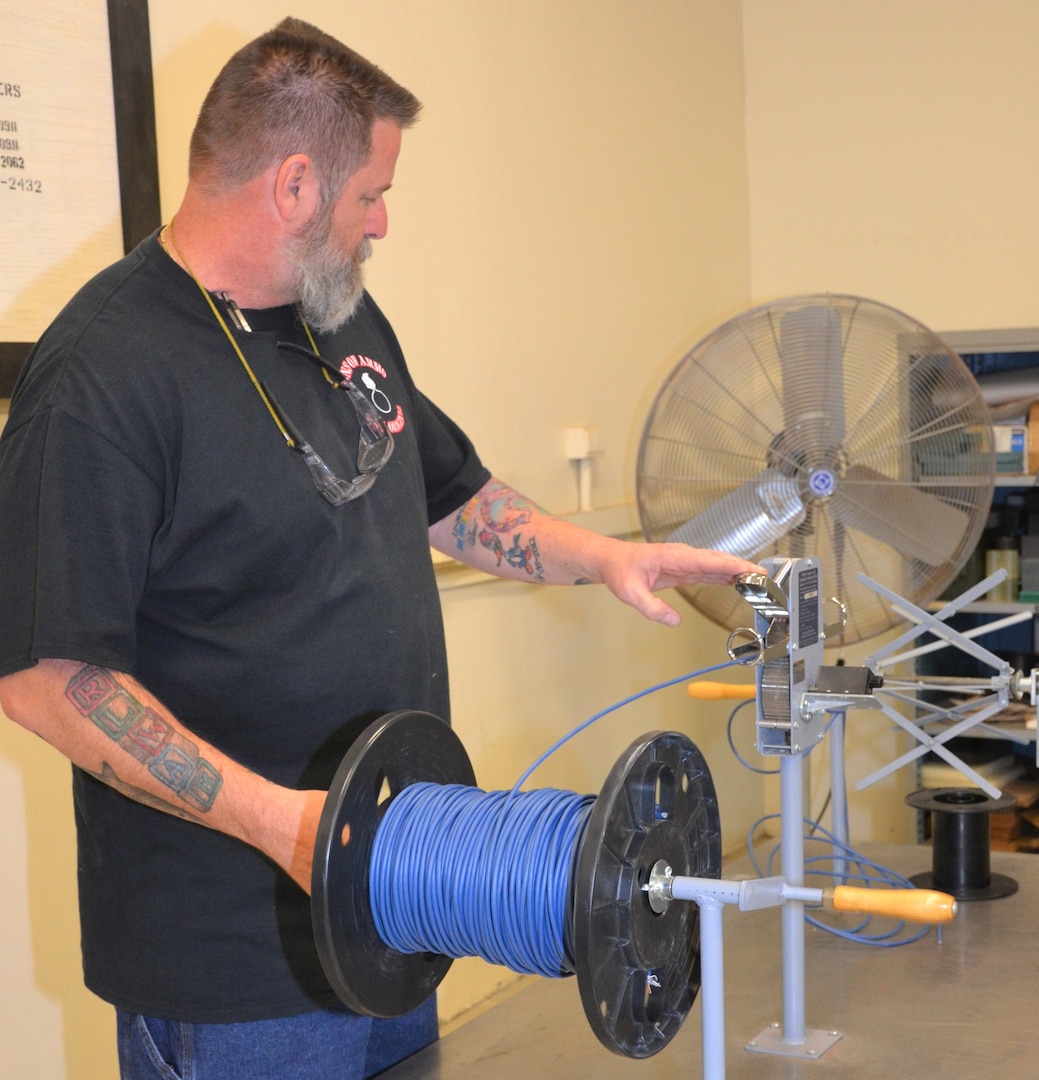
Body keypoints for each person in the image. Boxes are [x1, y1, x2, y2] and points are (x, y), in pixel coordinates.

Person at [0, 17, 760, 1080]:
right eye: (373, 194)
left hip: (393, 912)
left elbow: (449, 495)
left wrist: (607, 557)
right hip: (233, 968)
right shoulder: (100, 379)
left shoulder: (338, 320)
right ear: (297, 185)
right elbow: (49, 683)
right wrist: (287, 827)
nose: (384, 223)